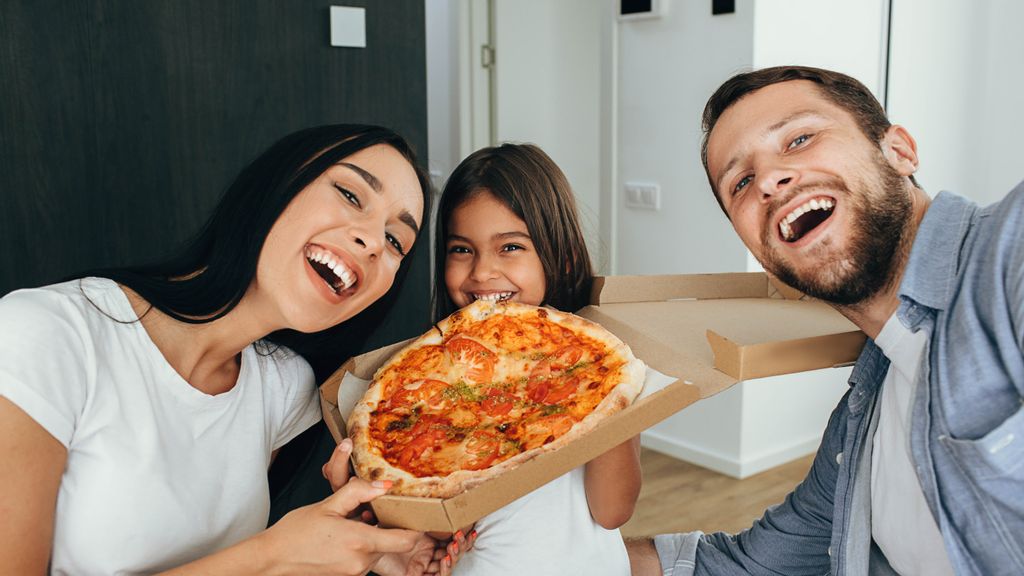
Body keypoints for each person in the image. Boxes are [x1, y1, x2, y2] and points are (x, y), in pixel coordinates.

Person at [625, 66, 1024, 575]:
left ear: (899, 151)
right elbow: (747, 566)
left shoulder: (1009, 251)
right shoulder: (864, 419)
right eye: (741, 182)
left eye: (800, 139)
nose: (768, 179)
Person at [0, 124, 450, 575]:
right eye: (351, 196)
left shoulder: (283, 387)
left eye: (396, 242)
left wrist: (365, 545)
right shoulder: (48, 332)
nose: (372, 242)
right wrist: (274, 555)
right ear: (279, 183)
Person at [428, 142, 642, 575]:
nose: (483, 272)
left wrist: (597, 382)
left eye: (510, 247)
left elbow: (612, 510)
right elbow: (441, 520)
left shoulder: (601, 364)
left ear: (559, 256)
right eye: (461, 249)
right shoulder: (433, 377)